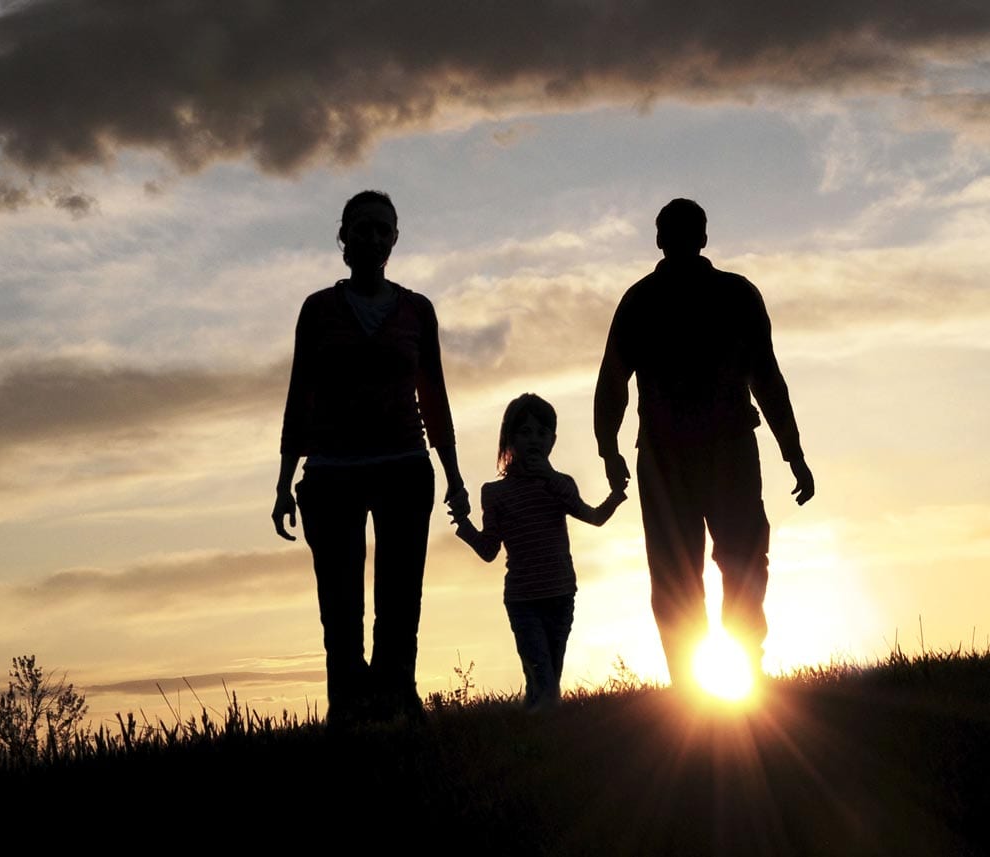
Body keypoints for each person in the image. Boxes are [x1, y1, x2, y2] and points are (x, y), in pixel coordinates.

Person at [593, 198, 815, 689]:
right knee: (715, 566)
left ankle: (717, 679)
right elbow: (613, 381)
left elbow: (765, 377)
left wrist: (792, 450)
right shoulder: (680, 298)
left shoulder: (670, 298)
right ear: (703, 238)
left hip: (711, 454)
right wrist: (792, 452)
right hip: (685, 456)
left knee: (711, 566)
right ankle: (707, 683)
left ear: (661, 239)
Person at [273, 190, 471, 728]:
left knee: (400, 595)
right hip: (332, 473)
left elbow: (434, 395)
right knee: (339, 602)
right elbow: (300, 395)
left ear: (395, 240)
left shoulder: (416, 310)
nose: (374, 238)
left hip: (405, 467)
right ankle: (349, 706)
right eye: (363, 229)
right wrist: (283, 481)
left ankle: (397, 699)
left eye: (384, 230)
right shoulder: (318, 310)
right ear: (344, 237)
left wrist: (454, 474)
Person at [450, 394, 626, 711]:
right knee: (542, 677)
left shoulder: (560, 485)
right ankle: (539, 728)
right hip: (523, 600)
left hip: (561, 595)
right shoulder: (495, 493)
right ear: (509, 438)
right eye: (526, 432)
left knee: (547, 681)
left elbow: (593, 517)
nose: (535, 440)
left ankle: (541, 735)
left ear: (553, 441)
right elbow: (489, 550)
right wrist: (463, 525)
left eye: (542, 433)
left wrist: (615, 496)